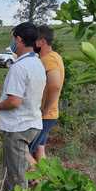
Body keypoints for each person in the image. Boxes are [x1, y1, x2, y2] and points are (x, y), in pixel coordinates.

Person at [0, 22, 46, 191]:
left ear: (19, 39)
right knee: (19, 163)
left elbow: (14, 101)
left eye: (13, 38)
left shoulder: (19, 67)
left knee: (17, 172)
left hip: (18, 125)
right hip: (31, 121)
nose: (12, 42)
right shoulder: (37, 63)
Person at [29, 25, 65, 161]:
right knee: (39, 147)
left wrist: (45, 110)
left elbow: (55, 85)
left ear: (41, 42)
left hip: (45, 115)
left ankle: (35, 178)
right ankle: (45, 179)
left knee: (24, 151)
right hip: (49, 114)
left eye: (34, 40)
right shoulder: (55, 56)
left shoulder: (48, 59)